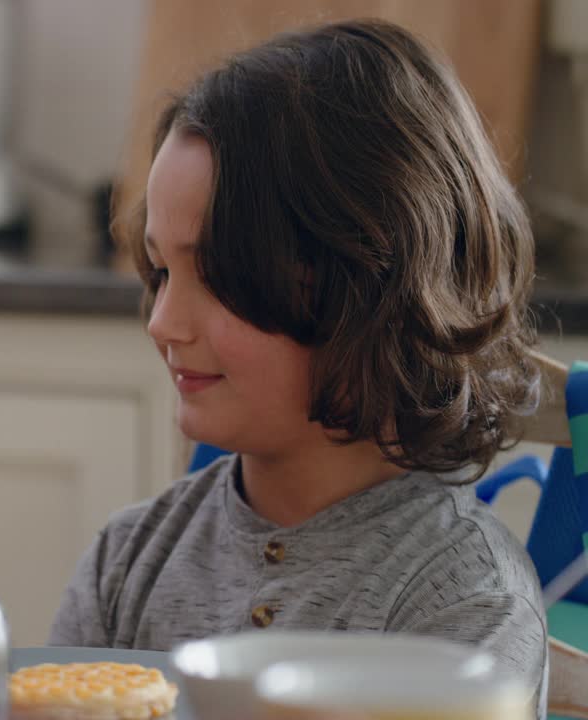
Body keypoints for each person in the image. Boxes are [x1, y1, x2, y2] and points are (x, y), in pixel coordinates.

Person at [50, 18, 548, 716]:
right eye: (161, 271)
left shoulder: (464, 604)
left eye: (218, 275)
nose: (163, 321)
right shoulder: (129, 560)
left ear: (371, 284)